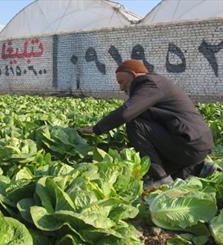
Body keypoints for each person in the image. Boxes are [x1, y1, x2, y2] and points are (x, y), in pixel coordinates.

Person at [80, 59, 220, 189]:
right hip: (194, 144)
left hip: (189, 144)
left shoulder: (149, 83)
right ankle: (199, 168)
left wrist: (97, 128)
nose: (121, 88)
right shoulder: (156, 84)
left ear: (133, 75)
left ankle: (161, 178)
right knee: (142, 127)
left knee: (135, 124)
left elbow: (126, 112)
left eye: (121, 82)